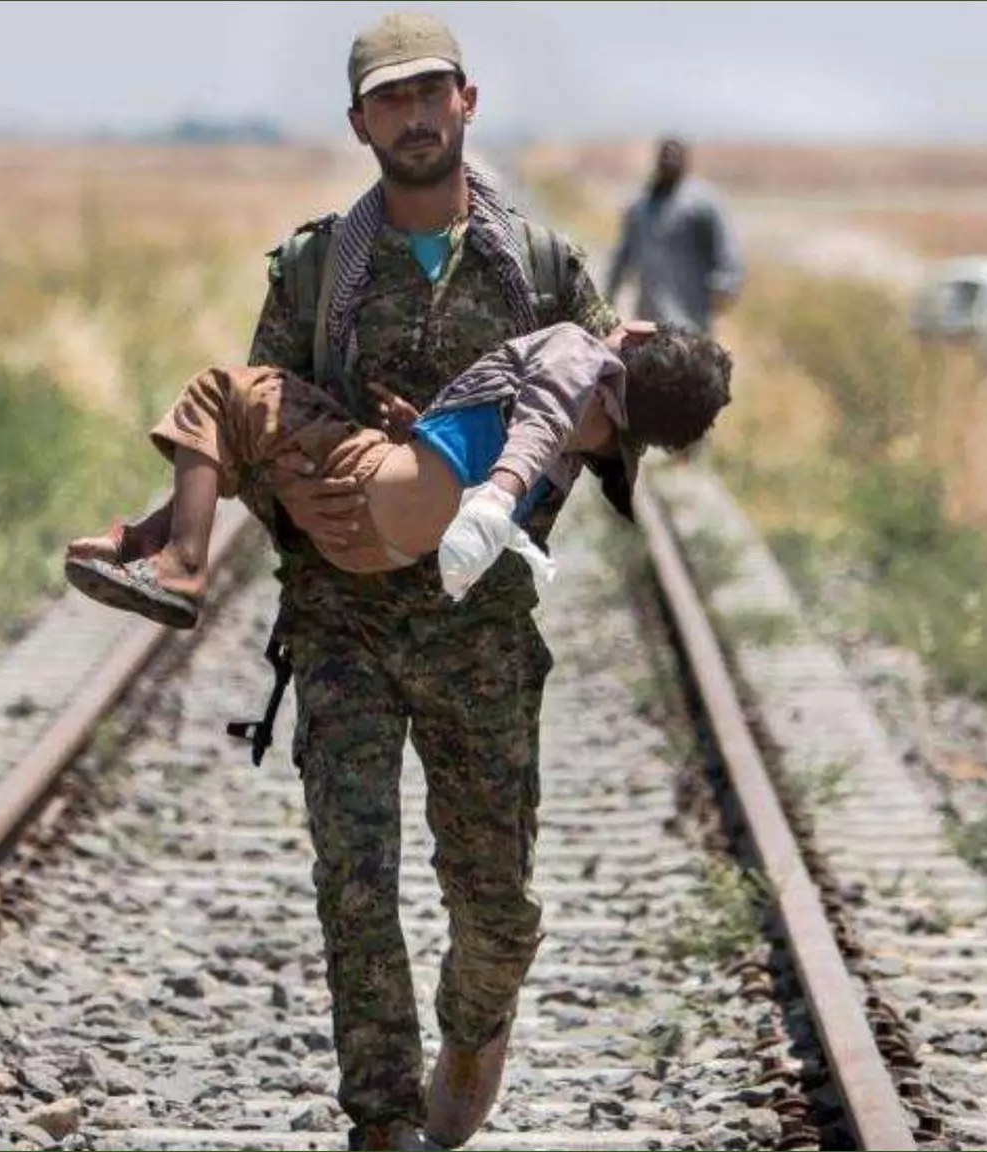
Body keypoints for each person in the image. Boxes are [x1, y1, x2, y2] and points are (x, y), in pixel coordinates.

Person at [207, 12, 623, 1151]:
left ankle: (473, 1030)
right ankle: (381, 1121)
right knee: (355, 882)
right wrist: (309, 496)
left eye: (430, 91)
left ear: (467, 102)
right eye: (389, 99)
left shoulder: (540, 267)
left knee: (494, 901)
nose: (415, 114)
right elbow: (256, 421)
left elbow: (604, 420)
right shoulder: (312, 272)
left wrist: (479, 485)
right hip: (339, 621)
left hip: (477, 626)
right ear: (358, 125)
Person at [64, 320, 732, 626]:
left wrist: (496, 495)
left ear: (640, 337)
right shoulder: (602, 449)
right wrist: (424, 432)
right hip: (379, 546)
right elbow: (517, 437)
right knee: (255, 434)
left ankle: (179, 560)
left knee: (222, 394)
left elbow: (538, 422)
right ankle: (143, 547)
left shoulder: (577, 354)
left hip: (361, 495)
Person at [604, 136, 745, 335]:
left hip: (690, 317)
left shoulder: (703, 203)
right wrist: (609, 293)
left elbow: (726, 248)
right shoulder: (642, 205)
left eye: (675, 155)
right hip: (649, 316)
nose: (669, 160)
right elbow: (623, 253)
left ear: (686, 161)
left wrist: (725, 285)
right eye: (665, 155)